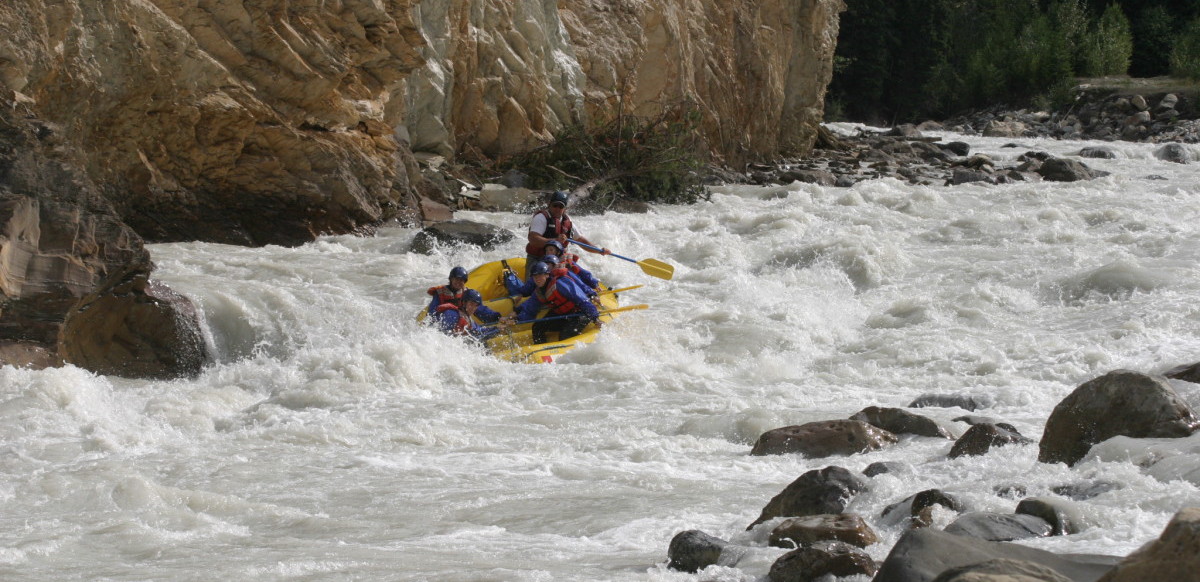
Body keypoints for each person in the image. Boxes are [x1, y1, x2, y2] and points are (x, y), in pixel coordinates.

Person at [505, 260, 601, 344]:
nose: (537, 279)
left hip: (579, 313)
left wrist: (595, 319)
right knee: (537, 327)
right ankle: (540, 350)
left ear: (547, 275)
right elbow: (530, 310)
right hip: (563, 314)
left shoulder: (561, 283)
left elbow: (582, 301)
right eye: (535, 277)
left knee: (565, 335)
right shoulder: (538, 292)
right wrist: (516, 319)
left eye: (540, 275)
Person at [524, 190, 610, 280]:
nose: (557, 209)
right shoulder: (541, 218)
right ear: (549, 205)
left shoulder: (567, 222)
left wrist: (599, 251)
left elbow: (580, 240)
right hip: (537, 258)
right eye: (555, 205)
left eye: (561, 206)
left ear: (565, 209)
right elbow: (533, 239)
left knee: (574, 274)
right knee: (536, 282)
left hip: (557, 260)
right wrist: (555, 241)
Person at [430, 289, 506, 342]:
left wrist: (496, 329)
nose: (473, 308)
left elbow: (478, 331)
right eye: (471, 304)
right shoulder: (451, 314)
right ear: (464, 303)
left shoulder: (467, 318)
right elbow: (440, 335)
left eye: (476, 306)